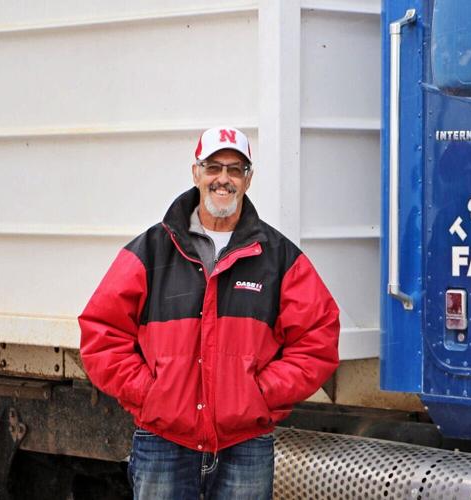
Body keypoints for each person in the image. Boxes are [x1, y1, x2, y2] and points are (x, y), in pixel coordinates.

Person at [79, 126, 340, 499]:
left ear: (248, 179)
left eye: (235, 169)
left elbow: (319, 338)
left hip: (245, 444)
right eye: (214, 167)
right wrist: (150, 393)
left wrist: (261, 393)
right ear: (196, 173)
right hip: (163, 440)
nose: (224, 179)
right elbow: (101, 330)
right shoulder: (152, 249)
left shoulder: (279, 257)